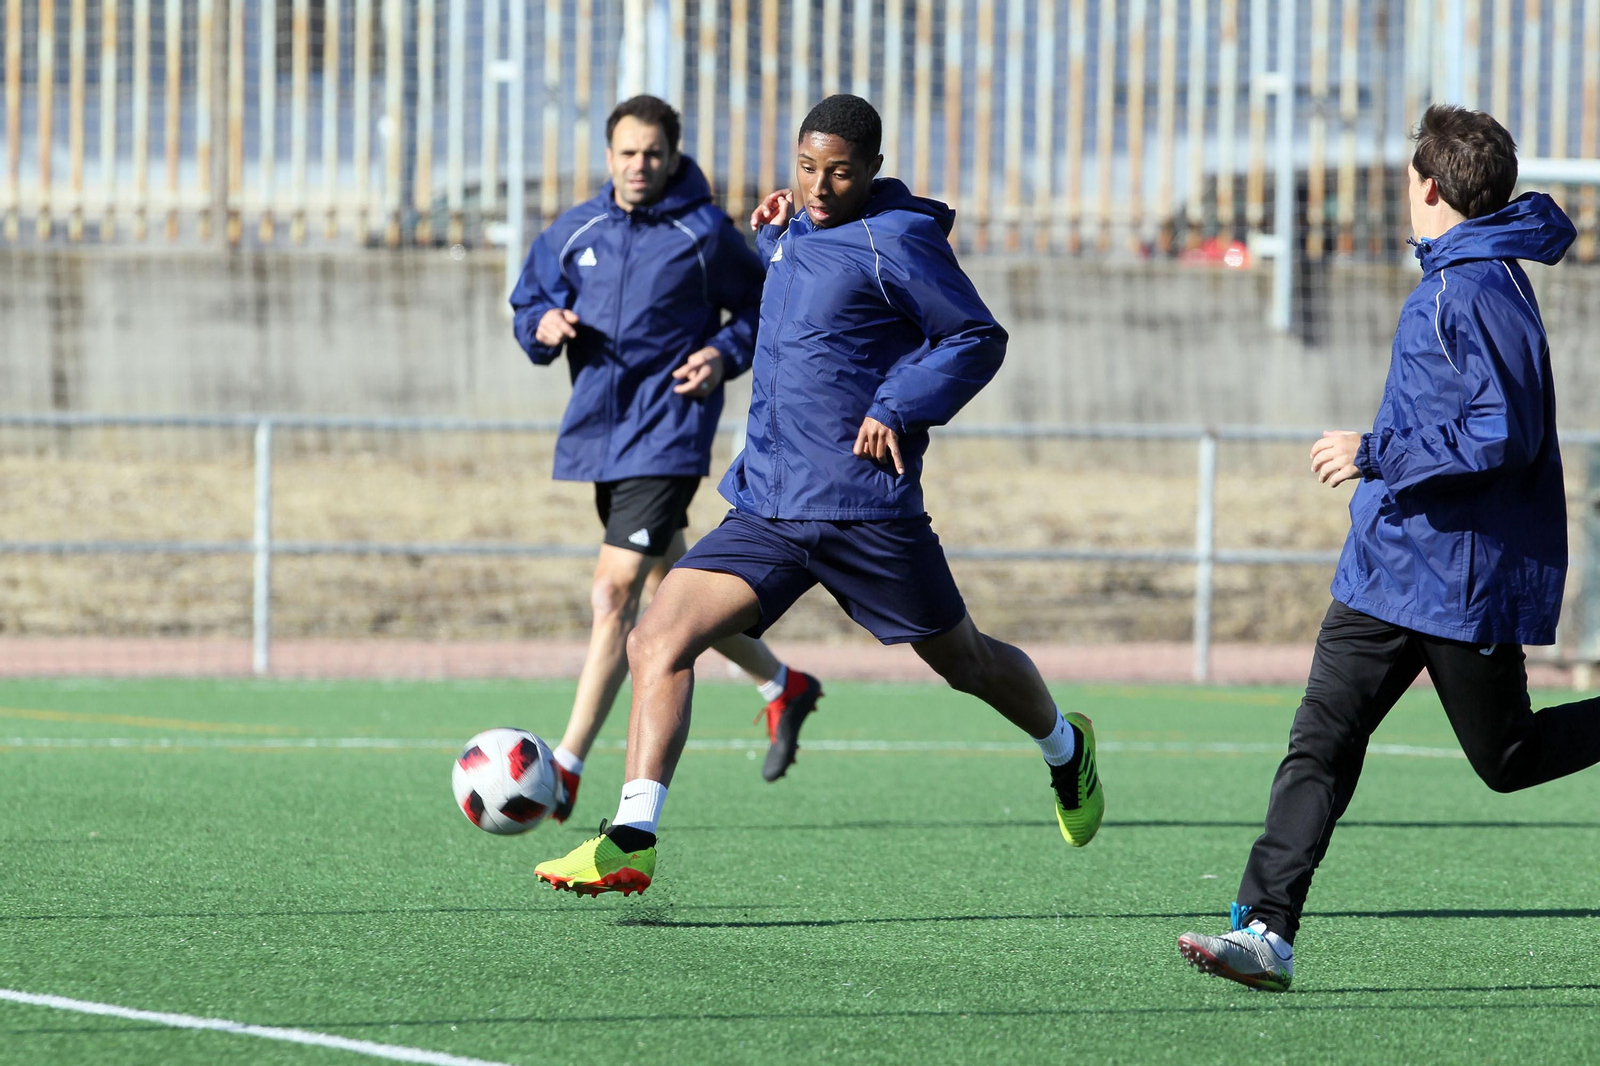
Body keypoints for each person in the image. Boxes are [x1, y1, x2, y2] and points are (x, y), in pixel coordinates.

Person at [533, 94, 1105, 897]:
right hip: (769, 504)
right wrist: (776, 224)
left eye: (839, 172)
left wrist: (897, 404)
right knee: (655, 639)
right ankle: (632, 835)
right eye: (807, 168)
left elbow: (976, 337)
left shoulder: (899, 241)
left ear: (871, 170)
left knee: (966, 663)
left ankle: (1063, 750)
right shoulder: (788, 227)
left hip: (865, 509)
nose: (821, 185)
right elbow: (783, 278)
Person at [1177, 105, 1600, 993]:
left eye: (1408, 179)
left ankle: (1266, 925)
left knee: (1508, 761)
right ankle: (1266, 928)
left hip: (1458, 579)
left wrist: (1374, 452)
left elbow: (1502, 434)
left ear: (1430, 186)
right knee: (1320, 740)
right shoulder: (1459, 277)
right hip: (1388, 565)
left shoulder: (1472, 290)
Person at [509, 95, 823, 822]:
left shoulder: (702, 232)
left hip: (669, 433)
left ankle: (566, 766)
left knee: (612, 596)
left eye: (653, 153)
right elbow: (527, 302)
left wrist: (720, 352)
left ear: (673, 155)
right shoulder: (575, 230)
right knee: (673, 600)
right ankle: (784, 685)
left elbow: (763, 308)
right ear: (610, 156)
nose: (639, 165)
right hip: (600, 437)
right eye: (627, 153)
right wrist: (543, 323)